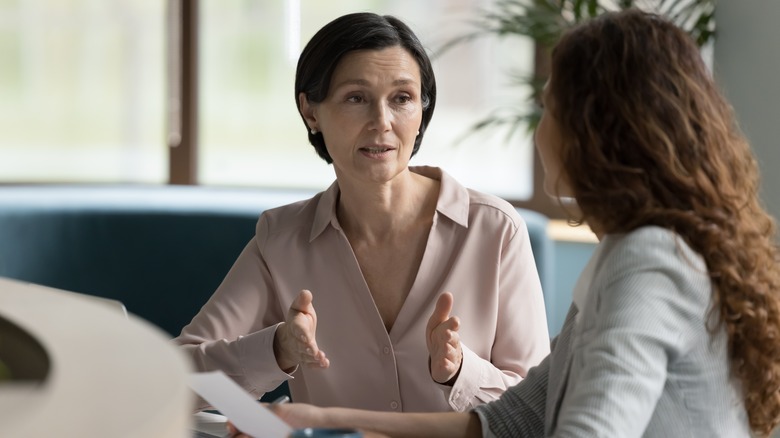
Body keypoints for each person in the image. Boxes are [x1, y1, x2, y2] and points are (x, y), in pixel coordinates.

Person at [233, 8, 780, 438]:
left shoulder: (648, 262)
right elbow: (513, 422)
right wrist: (321, 424)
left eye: (549, 110)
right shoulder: (628, 252)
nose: (540, 134)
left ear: (596, 132)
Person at [173, 12, 550, 414]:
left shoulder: (495, 231)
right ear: (311, 112)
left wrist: (461, 372)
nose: (382, 122)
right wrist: (278, 349)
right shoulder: (281, 239)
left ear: (422, 111)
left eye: (402, 99)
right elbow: (178, 380)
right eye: (357, 98)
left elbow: (538, 410)